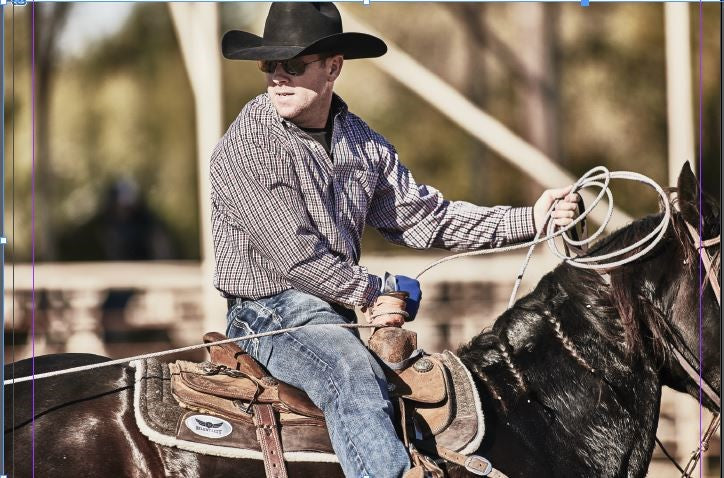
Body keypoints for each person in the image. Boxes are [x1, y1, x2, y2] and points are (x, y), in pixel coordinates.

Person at [211, 3, 580, 477]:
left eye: (294, 64)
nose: (278, 77)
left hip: (334, 311)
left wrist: (533, 218)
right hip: (266, 314)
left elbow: (427, 220)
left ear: (333, 67)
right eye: (270, 65)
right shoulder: (248, 145)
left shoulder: (364, 144)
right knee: (352, 375)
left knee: (436, 386)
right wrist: (373, 292)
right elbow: (295, 258)